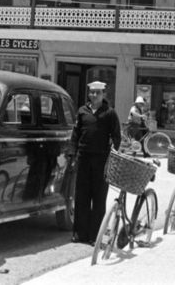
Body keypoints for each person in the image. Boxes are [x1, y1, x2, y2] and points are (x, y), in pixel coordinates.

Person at [69, 80, 122, 245]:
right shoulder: (82, 111)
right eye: (92, 92)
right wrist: (72, 154)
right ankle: (80, 234)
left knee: (98, 198)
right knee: (81, 196)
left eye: (97, 93)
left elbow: (116, 136)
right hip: (83, 158)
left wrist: (114, 154)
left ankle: (95, 236)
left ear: (103, 94)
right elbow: (75, 134)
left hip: (101, 160)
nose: (94, 95)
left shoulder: (110, 113)